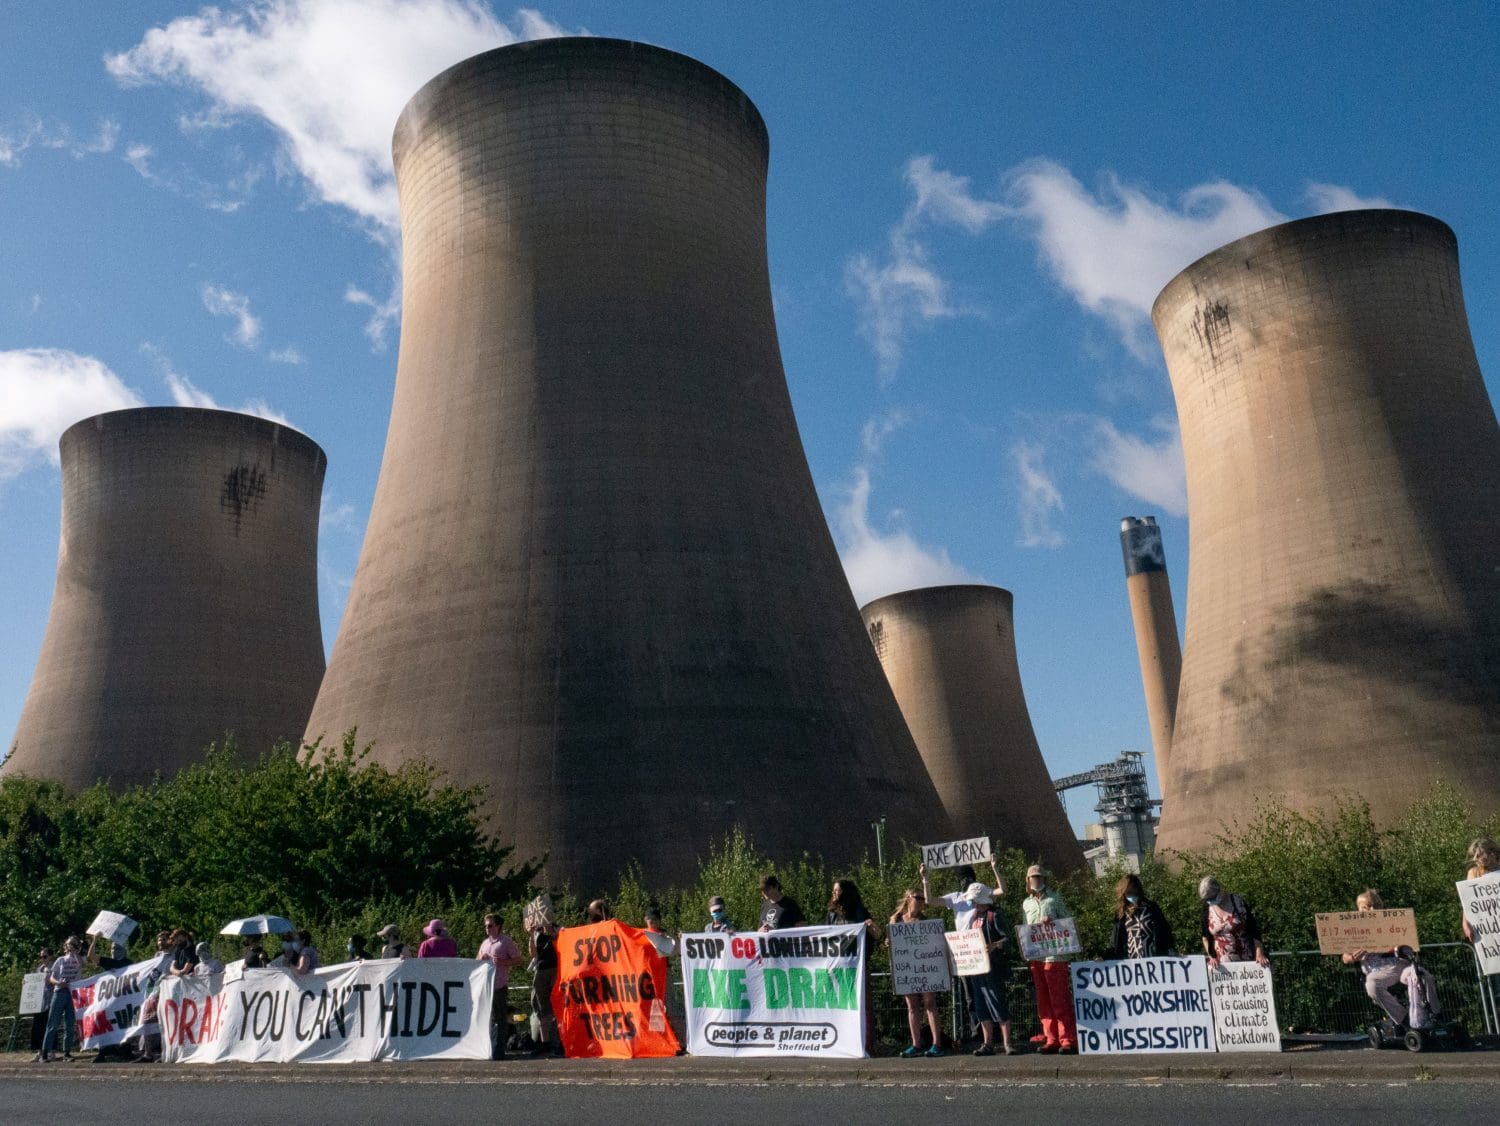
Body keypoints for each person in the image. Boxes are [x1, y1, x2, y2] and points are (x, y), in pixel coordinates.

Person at [921, 859, 1003, 1045]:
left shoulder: (979, 894)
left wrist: (995, 868)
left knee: (988, 991)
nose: (965, 881)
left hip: (982, 948)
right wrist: (925, 879)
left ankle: (994, 1031)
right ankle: (977, 1031)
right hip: (964, 952)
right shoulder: (956, 898)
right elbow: (930, 900)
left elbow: (1001, 890)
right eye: (963, 878)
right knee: (970, 996)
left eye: (968, 878)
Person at [1022, 863, 1077, 1053]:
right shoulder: (1026, 903)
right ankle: (1051, 1037)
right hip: (1036, 955)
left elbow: (1069, 921)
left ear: (1044, 879)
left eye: (1040, 877)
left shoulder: (1054, 898)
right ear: (1028, 881)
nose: (1037, 880)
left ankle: (1067, 1037)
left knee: (1059, 996)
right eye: (1033, 877)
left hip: (1055, 953)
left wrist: (1054, 923)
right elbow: (1025, 929)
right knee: (1043, 999)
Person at [1339, 889, 1408, 1025]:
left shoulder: (1391, 923)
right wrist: (1353, 958)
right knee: (1372, 984)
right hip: (1376, 971)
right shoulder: (1353, 930)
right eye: (1366, 907)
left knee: (1421, 976)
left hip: (1396, 964)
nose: (1371, 910)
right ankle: (1404, 1018)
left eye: (1374, 906)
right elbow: (1345, 957)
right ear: (1359, 909)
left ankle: (1432, 1014)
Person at [890, 888, 945, 1057]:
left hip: (925, 968)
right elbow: (891, 942)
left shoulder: (925, 921)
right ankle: (916, 1044)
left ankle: (937, 1044)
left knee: (930, 1003)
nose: (921, 901)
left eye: (923, 898)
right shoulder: (896, 920)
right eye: (917, 897)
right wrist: (888, 941)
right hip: (906, 968)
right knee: (912, 1006)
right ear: (908, 898)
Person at [827, 878, 880, 1052]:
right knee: (840, 1005)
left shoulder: (859, 911)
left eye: (837, 890)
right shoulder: (831, 914)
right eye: (833, 890)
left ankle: (866, 1043)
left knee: (862, 1005)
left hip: (857, 966)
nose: (834, 893)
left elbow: (877, 934)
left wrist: (870, 926)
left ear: (846, 893)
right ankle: (842, 1042)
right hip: (837, 966)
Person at [965, 883, 1018, 1056]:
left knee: (997, 1002)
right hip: (976, 967)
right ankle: (987, 1043)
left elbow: (1008, 938)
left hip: (993, 967)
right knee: (981, 1005)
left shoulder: (994, 916)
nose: (974, 903)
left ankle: (1007, 1043)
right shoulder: (973, 917)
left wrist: (995, 945)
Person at [478, 912, 524, 1059]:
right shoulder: (485, 943)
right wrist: (481, 958)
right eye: (486, 926)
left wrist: (503, 962)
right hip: (486, 986)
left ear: (498, 926)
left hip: (499, 985)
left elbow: (518, 960)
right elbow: (476, 961)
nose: (487, 928)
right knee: (488, 1017)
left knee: (500, 1018)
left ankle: (498, 1051)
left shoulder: (506, 942)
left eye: (490, 926)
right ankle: (489, 1048)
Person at [1199, 876, 1269, 968]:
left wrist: (1259, 953)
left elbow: (1253, 929)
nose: (1211, 901)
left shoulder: (1238, 901)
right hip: (1220, 965)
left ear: (1219, 890)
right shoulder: (1206, 908)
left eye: (1212, 898)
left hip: (1246, 959)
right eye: (1208, 899)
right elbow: (1205, 937)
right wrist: (1211, 956)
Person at [36, 936, 84, 1062]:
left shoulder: (78, 958)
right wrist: (58, 983)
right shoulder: (60, 960)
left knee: (69, 1024)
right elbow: (51, 978)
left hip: (73, 993)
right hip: (60, 992)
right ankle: (44, 1053)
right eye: (69, 944)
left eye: (73, 944)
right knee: (52, 1023)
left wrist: (74, 953)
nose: (70, 946)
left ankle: (66, 1053)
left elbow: (81, 964)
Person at [1111, 874, 1176, 959]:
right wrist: (1104, 957)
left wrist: (1170, 950)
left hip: (1154, 961)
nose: (1132, 894)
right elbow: (1115, 942)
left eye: (1134, 891)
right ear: (1123, 893)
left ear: (1139, 890)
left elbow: (1165, 931)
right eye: (1129, 892)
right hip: (1132, 965)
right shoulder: (1121, 914)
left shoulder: (1151, 908)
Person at [528, 909, 561, 1055]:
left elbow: (559, 943)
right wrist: (531, 934)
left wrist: (550, 931)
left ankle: (559, 1041)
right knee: (542, 1007)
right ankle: (544, 1042)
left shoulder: (556, 928)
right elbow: (533, 953)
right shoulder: (536, 932)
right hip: (540, 970)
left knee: (558, 1004)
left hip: (555, 969)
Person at [1463, 838, 1500, 943]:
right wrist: (1465, 924)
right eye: (1474, 855)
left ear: (1492, 854)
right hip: (1486, 928)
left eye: (1479, 855)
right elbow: (1467, 902)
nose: (1475, 859)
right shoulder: (1473, 873)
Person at [29, 948, 53, 1054]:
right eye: (41, 956)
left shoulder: (54, 967)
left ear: (50, 956)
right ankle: (39, 1051)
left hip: (50, 1000)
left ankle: (51, 1051)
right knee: (38, 1027)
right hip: (39, 1002)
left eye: (45, 956)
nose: (42, 959)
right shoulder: (39, 969)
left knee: (49, 1026)